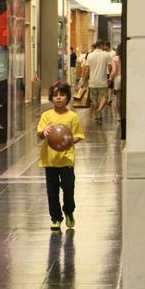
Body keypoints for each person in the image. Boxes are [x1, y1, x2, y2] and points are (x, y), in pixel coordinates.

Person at [37, 81, 85, 231]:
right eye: (55, 95)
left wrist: (67, 141)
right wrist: (43, 132)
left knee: (68, 187)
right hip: (49, 160)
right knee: (52, 191)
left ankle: (69, 211)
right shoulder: (46, 116)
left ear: (67, 97)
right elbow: (40, 134)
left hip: (66, 159)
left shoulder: (72, 117)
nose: (58, 98)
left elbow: (78, 135)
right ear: (51, 97)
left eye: (62, 95)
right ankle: (55, 218)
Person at [82, 40, 111, 124]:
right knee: (105, 97)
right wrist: (110, 78)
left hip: (92, 82)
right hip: (103, 81)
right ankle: (99, 110)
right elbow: (109, 67)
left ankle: (97, 115)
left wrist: (84, 80)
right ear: (102, 45)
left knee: (94, 100)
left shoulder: (90, 55)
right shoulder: (106, 55)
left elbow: (87, 69)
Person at [111, 45, 122, 119]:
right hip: (125, 78)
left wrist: (110, 78)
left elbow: (114, 70)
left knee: (118, 98)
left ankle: (119, 115)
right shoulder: (127, 57)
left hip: (117, 79)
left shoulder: (115, 59)